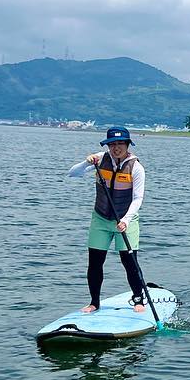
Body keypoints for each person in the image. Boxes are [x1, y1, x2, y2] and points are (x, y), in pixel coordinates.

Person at [68, 126, 147, 313]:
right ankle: (94, 302)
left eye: (120, 144)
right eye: (112, 144)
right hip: (101, 218)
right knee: (95, 262)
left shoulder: (136, 167)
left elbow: (138, 198)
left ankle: (138, 299)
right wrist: (84, 163)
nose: (116, 148)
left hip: (126, 220)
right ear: (107, 145)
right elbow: (72, 173)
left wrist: (126, 220)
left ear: (127, 145)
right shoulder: (99, 159)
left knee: (129, 262)